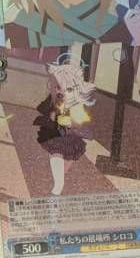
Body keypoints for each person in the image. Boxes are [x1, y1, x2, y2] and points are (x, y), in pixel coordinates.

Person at [34, 57, 96, 195]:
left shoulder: (77, 104)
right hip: (56, 135)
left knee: (64, 166)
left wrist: (71, 120)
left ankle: (57, 188)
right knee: (57, 153)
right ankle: (57, 188)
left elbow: (80, 121)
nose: (61, 91)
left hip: (72, 136)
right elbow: (49, 114)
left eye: (68, 88)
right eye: (58, 87)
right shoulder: (54, 99)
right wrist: (55, 117)